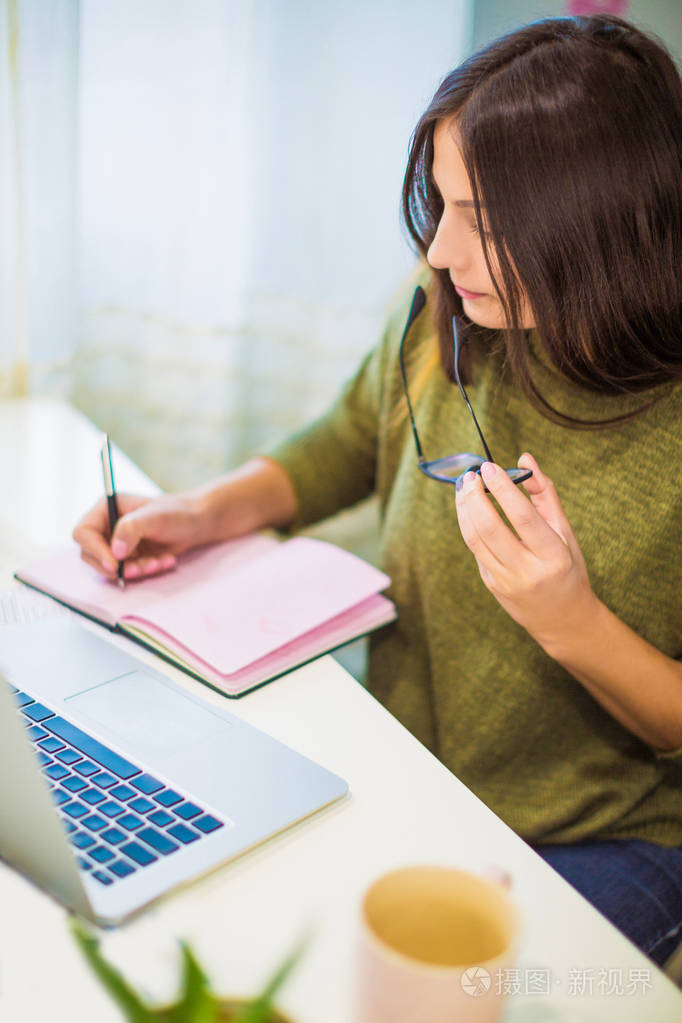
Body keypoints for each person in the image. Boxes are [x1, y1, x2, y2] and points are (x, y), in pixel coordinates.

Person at [73, 14, 682, 966]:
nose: (440, 252)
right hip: (413, 765)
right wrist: (200, 512)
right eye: (440, 206)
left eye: (482, 221)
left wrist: (569, 621)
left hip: (608, 836)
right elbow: (356, 436)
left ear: (596, 223)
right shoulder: (452, 306)